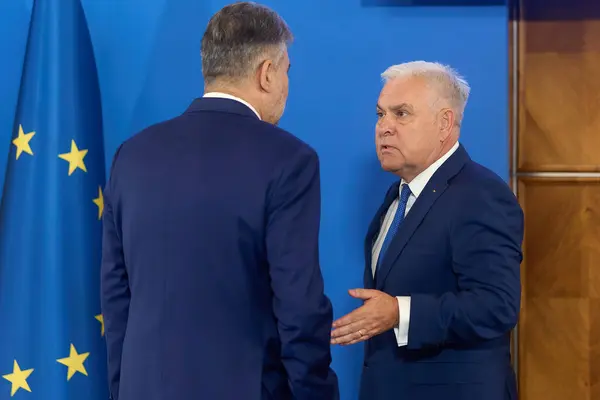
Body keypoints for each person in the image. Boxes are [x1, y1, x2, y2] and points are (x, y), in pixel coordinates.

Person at [100, 3, 339, 400]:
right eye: (286, 72)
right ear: (266, 72)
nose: (285, 86)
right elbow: (299, 309)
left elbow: (116, 297)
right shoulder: (289, 160)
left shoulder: (132, 155)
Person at [330, 61, 524, 400]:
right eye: (380, 114)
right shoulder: (399, 195)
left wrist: (399, 312)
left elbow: (496, 306)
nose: (384, 128)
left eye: (401, 114)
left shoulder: (480, 195)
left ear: (444, 123)